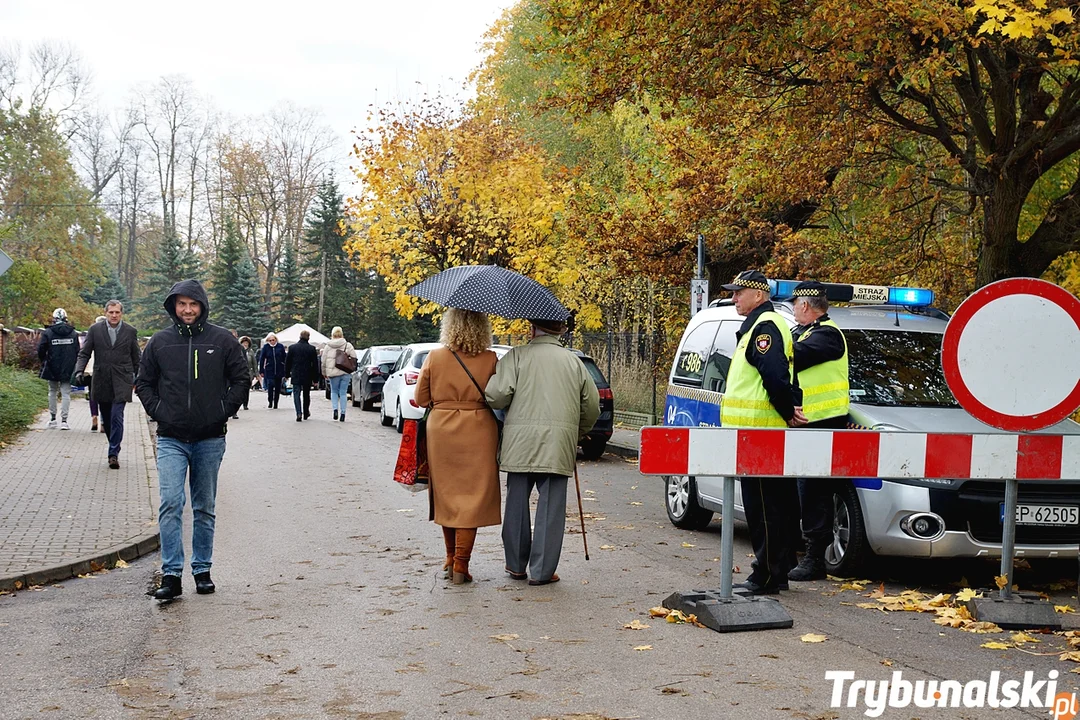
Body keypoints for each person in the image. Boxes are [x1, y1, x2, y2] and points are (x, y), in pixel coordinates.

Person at [136, 279, 249, 600]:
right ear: (173, 306)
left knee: (204, 506)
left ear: (202, 306)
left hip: (209, 438)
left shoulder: (222, 341)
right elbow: (143, 383)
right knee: (171, 503)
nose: (187, 310)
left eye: (193, 304)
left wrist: (222, 411)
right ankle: (171, 575)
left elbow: (240, 379)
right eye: (181, 304)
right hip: (171, 437)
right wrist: (159, 411)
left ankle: (202, 569)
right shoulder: (159, 342)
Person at [486, 318, 600, 586]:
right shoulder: (574, 362)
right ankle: (542, 571)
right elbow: (592, 406)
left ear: (532, 329)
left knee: (516, 504)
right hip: (558, 443)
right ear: (560, 331)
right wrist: (577, 431)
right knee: (551, 509)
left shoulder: (517, 356)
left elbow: (496, 395)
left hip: (519, 442)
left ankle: (515, 565)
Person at [718, 270, 807, 595]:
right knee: (777, 506)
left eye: (739, 292)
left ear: (759, 295)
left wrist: (786, 412)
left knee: (764, 510)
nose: (734, 298)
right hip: (763, 432)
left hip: (758, 434)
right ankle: (779, 570)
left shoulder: (764, 327)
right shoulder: (765, 325)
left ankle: (765, 576)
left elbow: (774, 377)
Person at [415, 309, 501, 584]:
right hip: (479, 429)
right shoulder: (490, 359)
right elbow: (498, 398)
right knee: (473, 495)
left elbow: (420, 397)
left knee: (448, 493)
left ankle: (450, 557)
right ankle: (462, 564)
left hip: (441, 429)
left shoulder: (435, 357)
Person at [786, 280, 850, 582]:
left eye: (794, 304)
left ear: (805, 305)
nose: (793, 309)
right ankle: (792, 553)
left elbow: (793, 356)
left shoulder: (828, 335)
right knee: (800, 491)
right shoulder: (804, 332)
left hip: (822, 424)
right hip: (802, 423)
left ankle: (814, 560)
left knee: (814, 493)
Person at [74, 301, 141, 469]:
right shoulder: (95, 330)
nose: (114, 315)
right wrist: (79, 371)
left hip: (122, 379)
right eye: (111, 312)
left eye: (117, 312)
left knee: (117, 416)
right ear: (105, 313)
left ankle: (113, 453)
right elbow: (85, 352)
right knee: (108, 418)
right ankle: (114, 444)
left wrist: (140, 378)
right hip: (102, 378)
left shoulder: (130, 331)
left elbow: (136, 358)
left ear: (121, 314)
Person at [38, 308, 80, 430]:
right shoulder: (73, 333)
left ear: (54, 318)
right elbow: (77, 351)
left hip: (52, 366)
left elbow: (41, 349)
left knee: (52, 392)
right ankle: (64, 421)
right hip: (68, 367)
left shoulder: (48, 333)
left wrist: (45, 361)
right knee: (66, 393)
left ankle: (52, 419)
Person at [321, 326, 357, 422]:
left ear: (332, 334)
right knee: (343, 392)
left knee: (334, 391)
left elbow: (323, 361)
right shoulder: (347, 345)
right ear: (342, 334)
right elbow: (354, 357)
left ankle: (335, 409)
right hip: (345, 371)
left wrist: (324, 372)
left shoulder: (328, 346)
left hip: (332, 372)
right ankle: (343, 413)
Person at [285, 329, 319, 421]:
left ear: (299, 337)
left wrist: (287, 374)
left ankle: (298, 412)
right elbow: (315, 365)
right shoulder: (311, 349)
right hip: (308, 374)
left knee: (296, 393)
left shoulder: (292, 348)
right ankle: (306, 411)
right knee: (306, 394)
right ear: (308, 338)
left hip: (296, 373)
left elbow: (288, 362)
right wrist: (316, 379)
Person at [80, 315, 106, 433]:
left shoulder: (91, 336)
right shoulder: (109, 337)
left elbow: (84, 352)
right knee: (105, 397)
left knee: (92, 395)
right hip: (104, 370)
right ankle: (103, 422)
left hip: (90, 370)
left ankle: (94, 416)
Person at [258, 333, 287, 409]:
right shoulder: (266, 347)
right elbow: (262, 359)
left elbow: (284, 358)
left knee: (278, 387)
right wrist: (261, 370)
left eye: (273, 340)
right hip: (269, 369)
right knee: (270, 385)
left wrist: (285, 369)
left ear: (276, 339)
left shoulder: (280, 347)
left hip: (279, 369)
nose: (272, 342)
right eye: (270, 340)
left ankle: (276, 402)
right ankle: (270, 400)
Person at [239, 336, 258, 411]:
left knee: (247, 389)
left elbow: (254, 363)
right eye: (244, 343)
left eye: (246, 343)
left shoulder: (251, 352)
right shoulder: (238, 350)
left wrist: (256, 373)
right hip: (240, 372)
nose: (245, 344)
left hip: (249, 372)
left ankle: (245, 404)